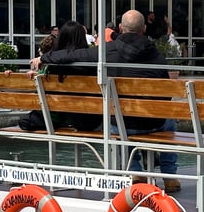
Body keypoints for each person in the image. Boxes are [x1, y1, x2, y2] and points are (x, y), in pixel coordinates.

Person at [32, 14, 180, 192]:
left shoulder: (107, 51)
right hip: (155, 123)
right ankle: (169, 176)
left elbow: (73, 54)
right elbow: (165, 95)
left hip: (123, 125)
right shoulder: (156, 55)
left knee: (118, 120)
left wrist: (44, 58)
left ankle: (135, 173)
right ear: (144, 29)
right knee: (168, 120)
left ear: (120, 27)